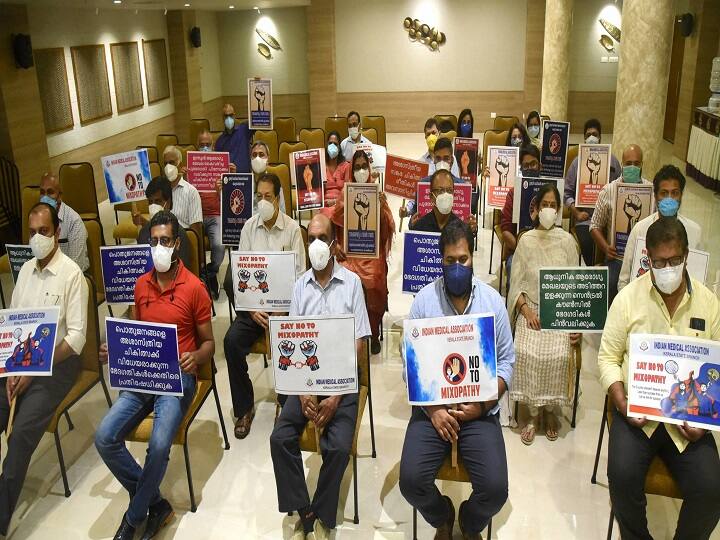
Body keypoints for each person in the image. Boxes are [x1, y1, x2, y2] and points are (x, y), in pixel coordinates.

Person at [598, 218, 720, 540]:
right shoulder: (627, 299)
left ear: (687, 255)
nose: (668, 269)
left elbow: (717, 368)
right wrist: (622, 403)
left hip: (690, 423)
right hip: (637, 417)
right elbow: (608, 358)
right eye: (660, 262)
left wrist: (704, 421)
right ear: (647, 259)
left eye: (675, 261)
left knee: (712, 490)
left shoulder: (709, 304)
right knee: (621, 479)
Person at [95, 210, 214, 540]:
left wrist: (196, 357)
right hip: (142, 375)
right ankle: (156, 504)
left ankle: (133, 519)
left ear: (176, 244)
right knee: (104, 436)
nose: (158, 246)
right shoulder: (141, 284)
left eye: (165, 241)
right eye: (154, 241)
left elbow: (209, 344)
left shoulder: (194, 288)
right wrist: (114, 350)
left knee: (160, 444)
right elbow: (135, 331)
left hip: (177, 379)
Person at [399, 220, 514, 540]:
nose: (458, 267)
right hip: (433, 409)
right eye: (450, 261)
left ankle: (469, 520)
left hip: (479, 409)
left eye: (463, 259)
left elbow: (506, 362)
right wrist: (434, 409)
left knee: (495, 490)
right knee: (410, 483)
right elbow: (409, 367)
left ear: (472, 256)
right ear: (440, 261)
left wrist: (484, 404)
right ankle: (443, 515)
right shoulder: (423, 302)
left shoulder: (493, 303)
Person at [270, 213, 371, 540]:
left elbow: (359, 344)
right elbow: (294, 340)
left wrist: (337, 395)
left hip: (343, 382)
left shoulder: (352, 284)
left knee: (339, 446)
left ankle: (324, 511)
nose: (315, 245)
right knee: (280, 439)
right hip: (307, 379)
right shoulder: (300, 287)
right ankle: (304, 510)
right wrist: (302, 392)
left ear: (334, 243)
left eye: (321, 238)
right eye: (309, 238)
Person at [0, 202, 88, 536]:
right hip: (18, 364)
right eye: (33, 232)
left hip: (57, 365)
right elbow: (12, 323)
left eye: (44, 232)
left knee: (20, 434)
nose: (38, 238)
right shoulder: (24, 272)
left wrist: (35, 370)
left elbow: (77, 338)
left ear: (57, 233)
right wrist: (12, 370)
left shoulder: (71, 275)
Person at [223, 173, 306, 439]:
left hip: (284, 310)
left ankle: (285, 402)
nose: (263, 201)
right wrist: (249, 308)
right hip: (254, 310)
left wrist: (282, 311)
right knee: (231, 342)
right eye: (259, 196)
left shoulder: (292, 229)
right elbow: (240, 275)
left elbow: (301, 277)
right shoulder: (249, 227)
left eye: (268, 196)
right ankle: (244, 407)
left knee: (289, 344)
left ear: (279, 198)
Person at [507, 183, 581, 444]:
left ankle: (550, 411)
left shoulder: (568, 242)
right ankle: (531, 414)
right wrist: (526, 311)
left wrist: (575, 323)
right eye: (544, 205)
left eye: (553, 205)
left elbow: (578, 288)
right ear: (536, 209)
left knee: (559, 353)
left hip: (559, 311)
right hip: (532, 310)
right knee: (527, 352)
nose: (548, 210)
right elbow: (516, 284)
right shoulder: (525, 240)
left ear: (559, 210)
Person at [329, 150, 394, 355]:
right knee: (343, 279)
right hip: (349, 253)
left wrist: (382, 207)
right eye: (356, 167)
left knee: (373, 281)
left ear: (370, 169)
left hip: (371, 254)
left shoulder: (376, 193)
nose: (360, 171)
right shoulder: (345, 194)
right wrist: (335, 246)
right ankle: (349, 332)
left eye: (364, 166)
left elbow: (387, 230)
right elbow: (332, 222)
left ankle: (372, 333)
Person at [618, 164, 702, 291]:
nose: (669, 198)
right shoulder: (640, 230)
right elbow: (624, 281)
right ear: (655, 196)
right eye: (664, 193)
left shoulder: (695, 232)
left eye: (675, 193)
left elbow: (699, 281)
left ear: (681, 195)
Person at [589, 144, 648, 304]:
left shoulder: (651, 192)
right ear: (622, 164)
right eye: (628, 163)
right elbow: (594, 225)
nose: (632, 167)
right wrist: (605, 248)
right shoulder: (608, 190)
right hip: (617, 258)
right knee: (611, 285)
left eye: (636, 164)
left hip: (644, 257)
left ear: (642, 165)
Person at [563, 118, 622, 266]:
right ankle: (591, 274)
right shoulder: (577, 163)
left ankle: (609, 273)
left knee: (618, 247)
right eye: (588, 134)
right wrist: (576, 213)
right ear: (584, 139)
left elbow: (620, 189)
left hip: (609, 220)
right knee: (587, 244)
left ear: (600, 137)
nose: (591, 138)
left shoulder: (613, 162)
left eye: (594, 134)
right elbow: (566, 193)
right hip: (585, 218)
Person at [196, 129, 235, 298]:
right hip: (194, 215)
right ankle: (197, 276)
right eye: (202, 145)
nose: (205, 148)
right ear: (197, 147)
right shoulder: (192, 166)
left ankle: (211, 272)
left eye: (208, 145)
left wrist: (231, 176)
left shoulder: (220, 164)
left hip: (215, 214)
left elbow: (232, 197)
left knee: (219, 245)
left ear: (213, 146)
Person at [499, 144, 542, 284]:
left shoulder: (549, 191)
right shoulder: (513, 193)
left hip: (545, 250)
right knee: (513, 266)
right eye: (526, 165)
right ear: (521, 169)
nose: (530, 168)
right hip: (518, 251)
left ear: (539, 165)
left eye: (533, 164)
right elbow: (505, 231)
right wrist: (522, 250)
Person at [403, 138, 468, 220]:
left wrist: (472, 228)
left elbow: (467, 222)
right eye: (438, 158)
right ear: (434, 160)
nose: (442, 162)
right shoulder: (422, 185)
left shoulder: (463, 187)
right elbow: (415, 213)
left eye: (446, 158)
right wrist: (413, 223)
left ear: (451, 160)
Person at [38, 172, 89, 272]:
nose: (45, 197)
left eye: (50, 192)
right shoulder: (37, 220)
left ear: (60, 195)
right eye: (42, 192)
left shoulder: (74, 221)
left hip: (70, 278)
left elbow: (76, 267)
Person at [137, 176, 192, 269]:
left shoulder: (179, 234)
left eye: (158, 201)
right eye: (150, 202)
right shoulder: (143, 233)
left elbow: (184, 270)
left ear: (169, 202)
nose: (153, 205)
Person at [153, 146, 203, 243]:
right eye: (165, 164)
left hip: (183, 240)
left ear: (180, 165)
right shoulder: (159, 192)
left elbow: (195, 230)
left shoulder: (191, 191)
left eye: (171, 163)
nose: (168, 167)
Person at [410, 169, 477, 234]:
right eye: (440, 190)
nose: (445, 194)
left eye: (449, 190)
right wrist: (413, 230)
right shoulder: (420, 227)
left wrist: (471, 232)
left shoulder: (461, 229)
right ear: (431, 196)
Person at [248, 140, 287, 213]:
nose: (257, 158)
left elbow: (282, 211)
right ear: (250, 159)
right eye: (254, 155)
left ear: (267, 159)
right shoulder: (243, 182)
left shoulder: (274, 183)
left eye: (261, 154)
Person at [214, 103, 251, 174]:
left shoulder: (244, 129)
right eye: (226, 116)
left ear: (234, 116)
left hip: (245, 178)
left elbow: (257, 122)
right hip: (228, 179)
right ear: (223, 118)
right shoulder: (219, 141)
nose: (228, 118)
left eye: (231, 115)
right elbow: (218, 166)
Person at [323, 130, 350, 208]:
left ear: (339, 147)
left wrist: (335, 201)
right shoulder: (321, 166)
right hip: (325, 205)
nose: (332, 146)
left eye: (335, 144)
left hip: (341, 205)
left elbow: (347, 191)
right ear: (326, 146)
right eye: (330, 143)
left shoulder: (346, 166)